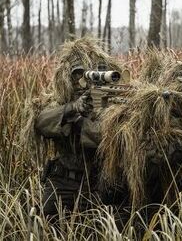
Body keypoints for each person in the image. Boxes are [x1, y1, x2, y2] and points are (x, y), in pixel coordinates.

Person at [34, 37, 123, 220]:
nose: (81, 81)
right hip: (62, 183)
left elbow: (105, 137)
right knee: (47, 228)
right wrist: (73, 108)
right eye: (77, 75)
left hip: (96, 185)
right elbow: (41, 122)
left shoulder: (110, 105)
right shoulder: (60, 100)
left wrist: (83, 121)